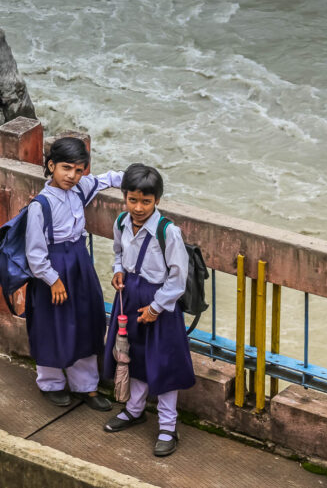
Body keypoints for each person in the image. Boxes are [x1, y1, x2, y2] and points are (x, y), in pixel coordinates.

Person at [102, 163, 195, 457]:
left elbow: (178, 278)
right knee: (133, 355)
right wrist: (118, 272)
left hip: (160, 302)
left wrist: (156, 308)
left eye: (146, 201)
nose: (138, 207)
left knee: (164, 364)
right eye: (133, 200)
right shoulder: (121, 223)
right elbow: (118, 253)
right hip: (129, 295)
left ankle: (168, 427)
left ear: (157, 201)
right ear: (124, 198)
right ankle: (134, 410)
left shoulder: (169, 232)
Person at [25, 137, 122, 411]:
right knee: (51, 324)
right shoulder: (40, 206)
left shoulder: (81, 190)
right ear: (51, 165)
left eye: (79, 170)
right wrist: (53, 280)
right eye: (66, 168)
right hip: (52, 269)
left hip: (80, 263)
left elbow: (106, 180)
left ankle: (86, 386)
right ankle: (51, 383)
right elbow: (34, 252)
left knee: (85, 321)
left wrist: (135, 179)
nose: (72, 176)